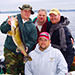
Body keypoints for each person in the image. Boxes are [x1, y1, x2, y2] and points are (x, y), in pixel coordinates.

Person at [0, 4, 37, 74]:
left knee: (24, 72)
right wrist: (8, 24)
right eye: (25, 11)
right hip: (10, 51)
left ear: (30, 13)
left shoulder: (32, 26)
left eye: (29, 11)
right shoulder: (13, 18)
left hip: (22, 53)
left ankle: (26, 57)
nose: (26, 13)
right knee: (11, 72)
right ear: (21, 11)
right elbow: (2, 29)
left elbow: (33, 40)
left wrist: (28, 46)